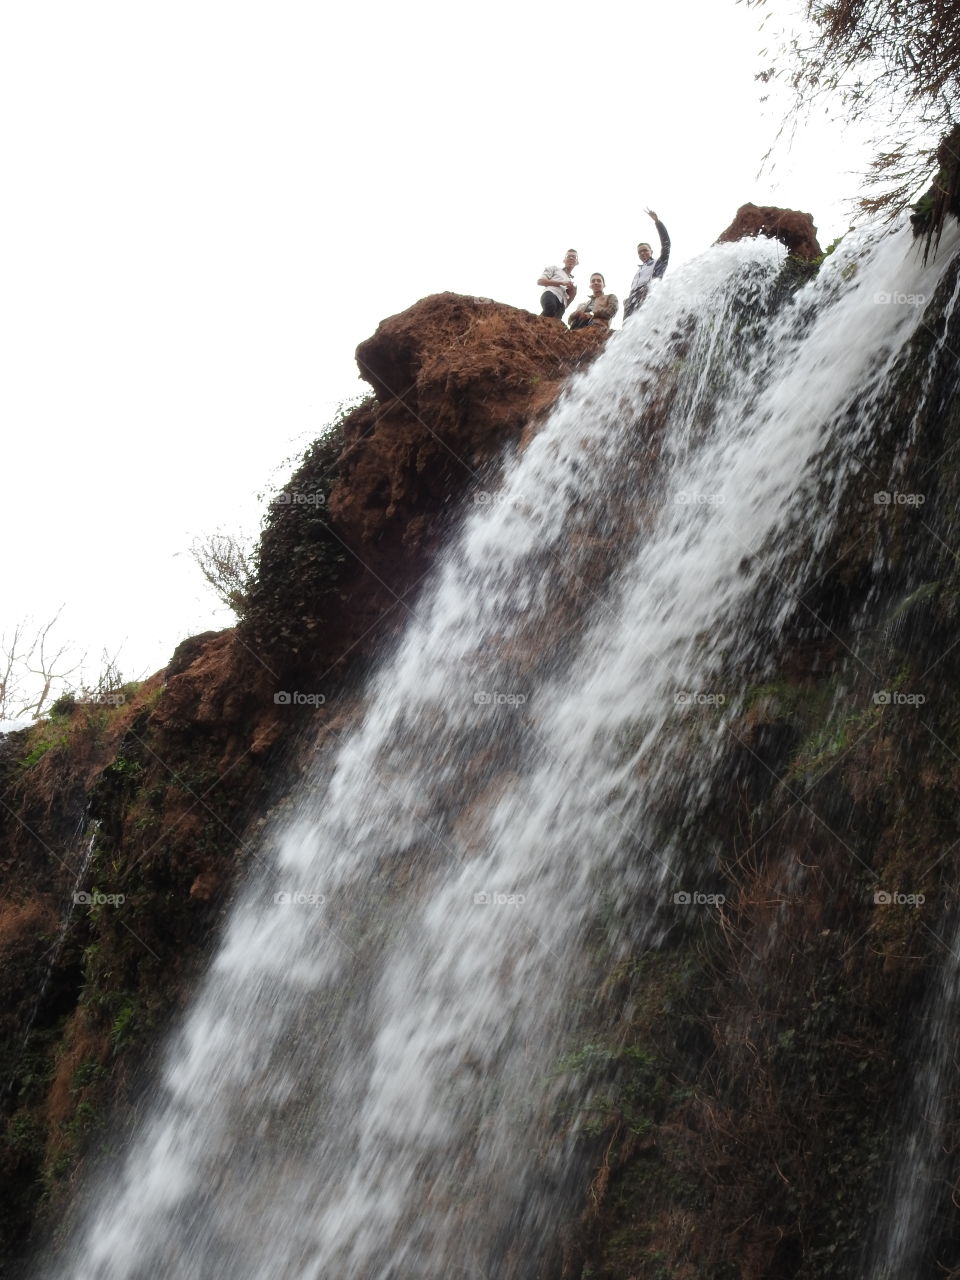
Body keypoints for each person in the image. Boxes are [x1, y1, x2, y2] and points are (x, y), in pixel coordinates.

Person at [623, 210, 671, 318]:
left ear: (651, 251)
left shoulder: (658, 263)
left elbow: (666, 244)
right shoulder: (638, 271)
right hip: (632, 300)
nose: (643, 253)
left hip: (648, 296)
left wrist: (657, 222)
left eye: (645, 250)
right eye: (640, 252)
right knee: (627, 328)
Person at [538, 249, 578, 319]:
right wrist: (561, 283)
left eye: (574, 257)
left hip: (562, 305)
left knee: (554, 323)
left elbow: (569, 301)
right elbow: (540, 281)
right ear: (564, 260)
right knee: (550, 309)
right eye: (569, 256)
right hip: (551, 294)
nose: (571, 258)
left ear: (577, 262)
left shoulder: (572, 281)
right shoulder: (554, 269)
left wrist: (573, 293)